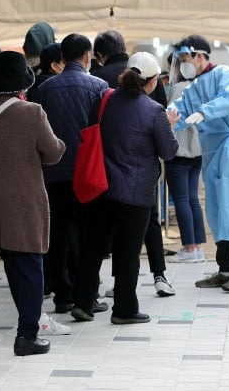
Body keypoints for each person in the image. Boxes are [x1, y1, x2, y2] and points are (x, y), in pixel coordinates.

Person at [0, 51, 66, 356]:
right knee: (29, 268)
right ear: (23, 85)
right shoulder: (33, 113)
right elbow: (53, 152)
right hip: (21, 203)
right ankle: (26, 337)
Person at [71, 52, 178, 324]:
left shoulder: (105, 99)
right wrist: (171, 125)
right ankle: (124, 309)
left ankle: (83, 302)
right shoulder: (154, 111)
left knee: (93, 247)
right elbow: (168, 151)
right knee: (128, 251)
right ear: (153, 82)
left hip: (102, 187)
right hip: (136, 192)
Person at [167, 35, 229, 292]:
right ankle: (225, 270)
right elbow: (181, 108)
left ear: (199, 55)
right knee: (218, 212)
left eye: (186, 58)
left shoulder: (225, 74)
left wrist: (205, 112)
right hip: (214, 152)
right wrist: (167, 118)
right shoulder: (195, 86)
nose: (183, 64)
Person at [90, 29, 174, 297]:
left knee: (103, 240)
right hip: (140, 182)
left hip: (107, 177)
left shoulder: (105, 93)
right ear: (152, 81)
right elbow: (167, 148)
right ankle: (152, 281)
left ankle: (88, 295)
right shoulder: (152, 106)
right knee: (139, 237)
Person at [36, 34, 109, 314]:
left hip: (53, 172)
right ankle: (86, 296)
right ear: (88, 56)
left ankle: (63, 295)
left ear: (62, 59)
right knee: (88, 234)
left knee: (59, 234)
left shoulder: (45, 89)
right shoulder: (99, 86)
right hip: (88, 172)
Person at [165, 49, 207, 263]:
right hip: (198, 151)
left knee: (181, 200)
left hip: (179, 151)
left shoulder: (177, 90)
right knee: (193, 200)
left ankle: (189, 248)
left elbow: (169, 120)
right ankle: (198, 247)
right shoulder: (202, 87)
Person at [92, 30, 168, 106]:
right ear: (123, 47)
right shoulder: (149, 69)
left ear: (99, 54)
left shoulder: (95, 77)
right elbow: (162, 105)